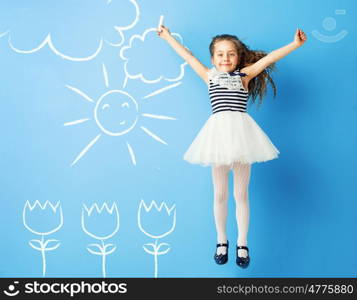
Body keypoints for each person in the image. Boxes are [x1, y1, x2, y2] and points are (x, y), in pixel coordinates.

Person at [157, 24, 307, 268]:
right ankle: (221, 240)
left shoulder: (244, 76)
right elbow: (187, 56)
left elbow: (268, 59)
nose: (225, 58)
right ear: (213, 58)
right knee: (220, 194)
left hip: (242, 137)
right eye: (220, 54)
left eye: (230, 54)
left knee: (240, 194)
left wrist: (295, 44)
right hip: (216, 138)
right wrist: (167, 37)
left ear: (238, 58)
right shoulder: (209, 76)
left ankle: (243, 243)